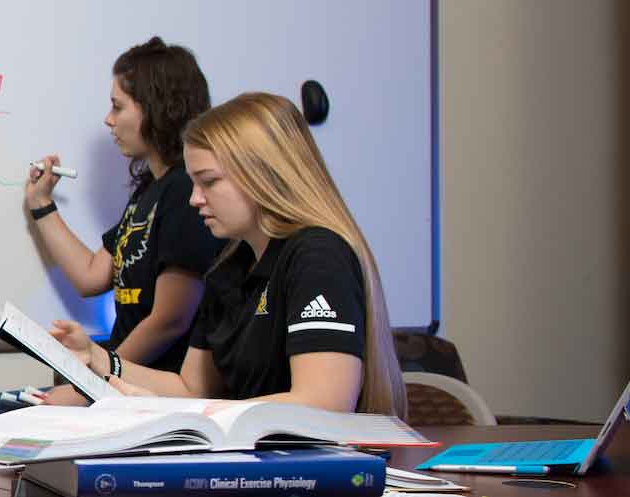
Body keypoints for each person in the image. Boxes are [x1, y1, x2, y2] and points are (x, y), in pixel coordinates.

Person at [47, 92, 406, 416]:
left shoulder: (317, 255)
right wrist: (97, 359)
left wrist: (196, 414)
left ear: (263, 174)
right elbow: (191, 388)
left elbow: (324, 400)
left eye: (210, 182)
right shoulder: (229, 267)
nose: (195, 199)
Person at [0, 37, 226, 417]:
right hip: (112, 380)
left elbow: (170, 319)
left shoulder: (186, 193)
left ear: (155, 109)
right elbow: (92, 276)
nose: (109, 119)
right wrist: (42, 204)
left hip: (146, 390)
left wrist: (92, 380)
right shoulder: (148, 193)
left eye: (117, 106)